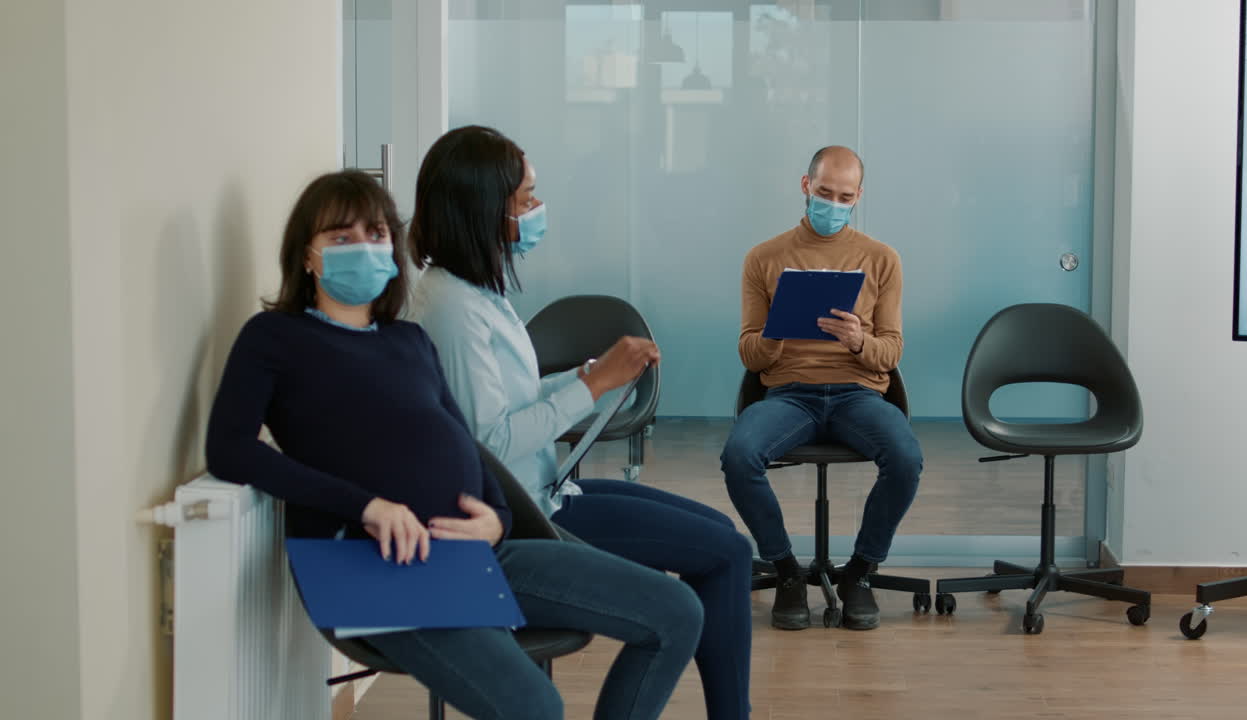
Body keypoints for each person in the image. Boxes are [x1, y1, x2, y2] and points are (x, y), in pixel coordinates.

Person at [205, 170, 702, 720]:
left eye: (375, 235)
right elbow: (228, 450)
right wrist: (366, 507)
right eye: (341, 238)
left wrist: (495, 517)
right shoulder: (275, 338)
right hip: (379, 563)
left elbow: (462, 441)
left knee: (676, 611)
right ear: (305, 255)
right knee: (534, 705)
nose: (364, 249)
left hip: (479, 547)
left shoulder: (408, 340)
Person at [406, 125, 754, 720]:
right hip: (524, 518)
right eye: (526, 200)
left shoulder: (474, 291)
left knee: (726, 542)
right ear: (483, 210)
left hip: (545, 489)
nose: (538, 211)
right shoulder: (451, 310)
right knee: (722, 555)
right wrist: (594, 384)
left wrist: (593, 374)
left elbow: (509, 402)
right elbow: (490, 439)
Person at [721, 146, 924, 632]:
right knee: (740, 455)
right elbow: (749, 353)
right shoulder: (764, 258)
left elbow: (891, 351)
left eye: (845, 196)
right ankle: (786, 571)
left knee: (906, 458)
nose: (833, 204)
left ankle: (860, 572)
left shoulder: (881, 259)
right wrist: (775, 335)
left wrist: (858, 341)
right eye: (825, 192)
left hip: (858, 393)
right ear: (806, 186)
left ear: (859, 196)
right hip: (790, 393)